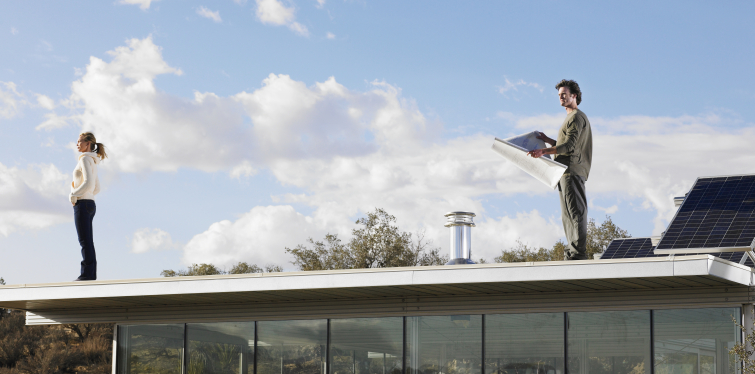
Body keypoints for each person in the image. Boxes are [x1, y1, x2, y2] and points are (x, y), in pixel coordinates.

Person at [526, 80, 593, 260]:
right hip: (563, 171)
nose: (561, 97)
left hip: (572, 170)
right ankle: (572, 251)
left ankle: (578, 254)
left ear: (574, 95)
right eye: (559, 95)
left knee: (575, 212)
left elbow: (570, 146)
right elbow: (566, 144)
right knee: (567, 214)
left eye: (564, 94)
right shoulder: (570, 118)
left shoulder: (577, 117)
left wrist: (543, 151)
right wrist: (548, 139)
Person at [70, 132, 107, 281]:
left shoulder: (85, 159)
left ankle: (87, 275)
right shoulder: (93, 160)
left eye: (79, 141)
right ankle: (90, 274)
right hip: (90, 203)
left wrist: (74, 194)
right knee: (88, 240)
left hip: (83, 203)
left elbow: (90, 184)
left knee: (84, 241)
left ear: (88, 144)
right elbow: (96, 188)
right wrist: (86, 194)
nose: (77, 144)